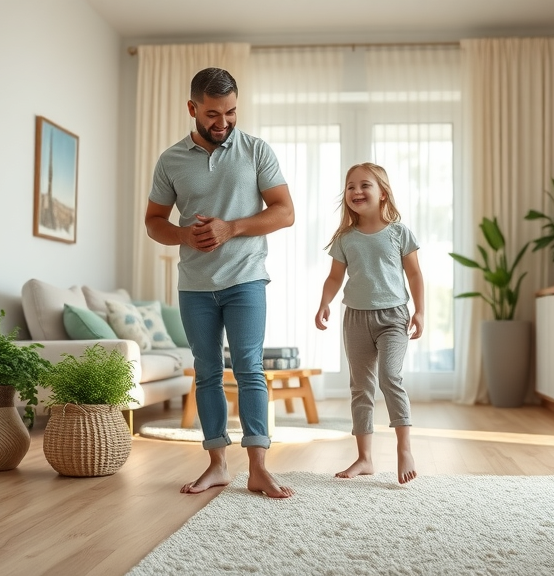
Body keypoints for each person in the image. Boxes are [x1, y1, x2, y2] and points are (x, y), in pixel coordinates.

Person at [145, 67, 295, 499]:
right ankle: (216, 466)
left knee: (250, 370)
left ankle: (259, 469)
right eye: (213, 114)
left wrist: (233, 228)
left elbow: (285, 211)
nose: (223, 123)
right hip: (194, 285)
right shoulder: (171, 160)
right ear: (192, 108)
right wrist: (182, 235)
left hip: (246, 278)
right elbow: (154, 221)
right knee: (207, 372)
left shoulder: (255, 151)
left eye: (230, 112)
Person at [314, 162, 424, 485]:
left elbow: (415, 274)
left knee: (390, 376)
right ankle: (365, 458)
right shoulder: (345, 238)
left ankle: (405, 448)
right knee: (360, 387)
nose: (357, 191)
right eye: (350, 187)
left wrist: (419, 311)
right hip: (356, 319)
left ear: (383, 194)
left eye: (365, 185)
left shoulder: (399, 232)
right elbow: (335, 277)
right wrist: (324, 303)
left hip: (393, 317)